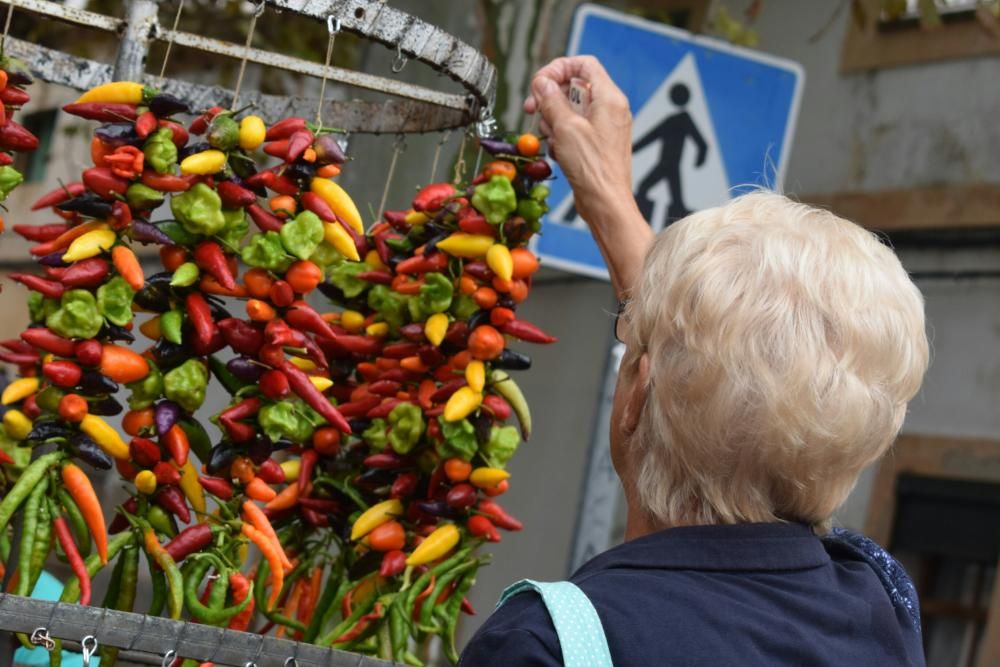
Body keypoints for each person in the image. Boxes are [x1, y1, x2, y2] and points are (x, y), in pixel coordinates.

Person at [459, 56, 929, 666]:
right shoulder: (880, 605)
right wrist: (606, 193)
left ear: (636, 396)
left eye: (635, 345)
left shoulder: (546, 645)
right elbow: (756, 379)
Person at [632, 82, 708, 222]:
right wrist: (630, 150)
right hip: (664, 165)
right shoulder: (671, 120)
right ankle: (639, 223)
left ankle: (680, 235)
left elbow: (702, 143)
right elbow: (651, 137)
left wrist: (700, 158)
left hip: (671, 166)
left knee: (672, 199)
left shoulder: (685, 119)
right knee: (646, 189)